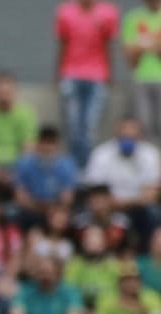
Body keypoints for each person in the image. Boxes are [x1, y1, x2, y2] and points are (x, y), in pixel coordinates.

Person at [56, 0, 120, 167]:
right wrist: (58, 73)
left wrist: (110, 73)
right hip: (71, 73)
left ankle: (89, 170)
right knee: (72, 125)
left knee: (91, 127)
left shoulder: (108, 12)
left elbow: (108, 45)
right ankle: (73, 169)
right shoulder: (65, 11)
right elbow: (63, 44)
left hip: (97, 75)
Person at [84, 117, 161, 242]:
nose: (127, 141)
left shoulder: (150, 154)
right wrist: (114, 202)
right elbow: (95, 191)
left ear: (140, 137)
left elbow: (152, 194)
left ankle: (147, 252)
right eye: (124, 137)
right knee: (94, 208)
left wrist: (125, 202)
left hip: (139, 208)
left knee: (153, 211)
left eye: (132, 137)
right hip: (109, 207)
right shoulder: (101, 154)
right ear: (116, 135)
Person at [13, 126, 79, 229]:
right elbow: (20, 196)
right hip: (32, 211)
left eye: (51, 143)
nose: (47, 147)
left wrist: (53, 209)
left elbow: (67, 197)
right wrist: (38, 207)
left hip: (57, 211)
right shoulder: (25, 163)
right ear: (38, 144)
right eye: (44, 142)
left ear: (57, 145)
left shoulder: (67, 164)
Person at [124, 0, 161, 142]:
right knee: (143, 124)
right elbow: (130, 56)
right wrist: (154, 44)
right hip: (141, 78)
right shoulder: (133, 18)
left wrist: (144, 44)